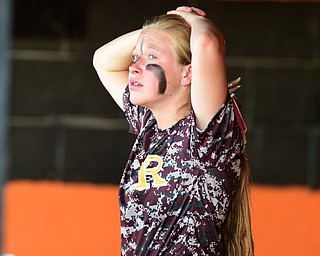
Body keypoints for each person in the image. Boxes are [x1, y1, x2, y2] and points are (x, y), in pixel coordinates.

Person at [93, 6, 254, 256]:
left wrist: (187, 19)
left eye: (151, 59)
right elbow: (103, 61)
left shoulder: (206, 135)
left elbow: (206, 41)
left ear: (189, 72)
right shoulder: (149, 125)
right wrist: (157, 33)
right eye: (136, 58)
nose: (134, 68)